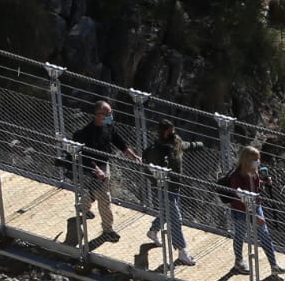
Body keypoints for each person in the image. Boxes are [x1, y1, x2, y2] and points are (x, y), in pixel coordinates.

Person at [69, 100, 137, 241]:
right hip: (92, 168)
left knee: (96, 192)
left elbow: (118, 141)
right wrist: (96, 170)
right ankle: (108, 229)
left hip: (104, 164)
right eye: (108, 113)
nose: (110, 116)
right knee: (105, 198)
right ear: (98, 115)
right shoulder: (86, 134)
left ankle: (82, 206)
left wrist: (132, 155)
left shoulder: (108, 125)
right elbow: (84, 156)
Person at [216, 145, 285, 281]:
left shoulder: (254, 172)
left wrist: (264, 182)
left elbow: (255, 187)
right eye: (255, 159)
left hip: (256, 207)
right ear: (247, 160)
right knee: (240, 236)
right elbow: (242, 199)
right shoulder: (237, 176)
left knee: (265, 236)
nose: (258, 162)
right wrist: (255, 216)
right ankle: (238, 262)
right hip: (241, 211)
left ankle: (274, 265)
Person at [142, 120, 203, 266]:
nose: (173, 132)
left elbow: (184, 146)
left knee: (167, 212)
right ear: (163, 132)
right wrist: (156, 182)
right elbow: (147, 168)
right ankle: (182, 251)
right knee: (176, 219)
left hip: (175, 187)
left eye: (173, 129)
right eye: (170, 130)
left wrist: (199, 145)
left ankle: (153, 231)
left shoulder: (176, 141)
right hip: (163, 189)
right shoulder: (155, 150)